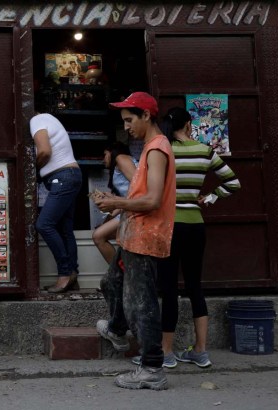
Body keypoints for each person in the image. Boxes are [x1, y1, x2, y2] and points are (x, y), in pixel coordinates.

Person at [132, 107, 240, 369]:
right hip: (195, 226)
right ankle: (201, 351)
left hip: (169, 226)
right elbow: (232, 183)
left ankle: (167, 352)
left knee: (169, 288)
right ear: (189, 125)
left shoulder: (164, 151)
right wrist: (209, 197)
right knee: (195, 286)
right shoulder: (204, 151)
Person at [93, 92, 176, 390]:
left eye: (130, 120)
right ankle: (117, 328)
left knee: (141, 304)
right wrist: (118, 204)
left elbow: (153, 200)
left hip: (145, 237)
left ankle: (152, 368)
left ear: (146, 116)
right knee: (111, 283)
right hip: (132, 234)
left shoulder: (156, 150)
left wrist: (118, 201)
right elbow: (142, 194)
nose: (126, 126)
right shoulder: (149, 148)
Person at [30, 112, 82, 293]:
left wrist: (32, 169)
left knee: (44, 225)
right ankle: (72, 275)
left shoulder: (36, 120)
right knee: (64, 229)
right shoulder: (48, 119)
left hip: (62, 178)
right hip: (69, 176)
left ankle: (65, 274)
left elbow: (44, 150)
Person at [92, 142, 137, 264]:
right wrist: (111, 198)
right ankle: (121, 274)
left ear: (112, 152)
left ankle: (118, 275)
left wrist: (114, 202)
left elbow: (139, 188)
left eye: (105, 154)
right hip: (127, 208)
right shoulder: (121, 163)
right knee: (102, 234)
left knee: (98, 236)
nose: (103, 159)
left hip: (133, 209)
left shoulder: (121, 158)